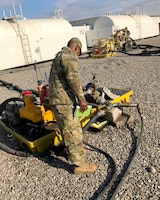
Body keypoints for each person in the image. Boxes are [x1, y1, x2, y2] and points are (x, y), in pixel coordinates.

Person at [49, 37, 98, 174]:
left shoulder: (59, 56)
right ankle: (79, 164)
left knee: (67, 130)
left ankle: (75, 151)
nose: (78, 56)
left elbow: (63, 79)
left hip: (57, 100)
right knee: (73, 131)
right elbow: (73, 78)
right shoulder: (69, 56)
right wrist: (82, 100)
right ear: (76, 48)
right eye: (78, 53)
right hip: (64, 102)